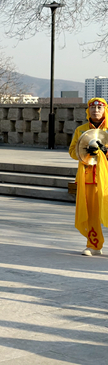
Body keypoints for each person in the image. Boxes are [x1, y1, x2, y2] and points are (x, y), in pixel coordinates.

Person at [69, 97, 108, 256]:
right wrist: (83, 152)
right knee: (91, 213)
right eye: (93, 108)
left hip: (106, 177)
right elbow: (72, 152)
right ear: (88, 111)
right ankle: (94, 244)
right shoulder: (81, 130)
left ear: (105, 110)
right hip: (89, 178)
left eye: (99, 108)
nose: (96, 111)